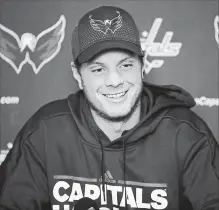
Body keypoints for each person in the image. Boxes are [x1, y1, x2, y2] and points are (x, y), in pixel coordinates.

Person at [0, 5, 218, 210]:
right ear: (77, 75)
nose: (114, 80)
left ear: (142, 66)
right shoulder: (45, 131)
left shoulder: (185, 133)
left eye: (125, 65)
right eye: (98, 69)